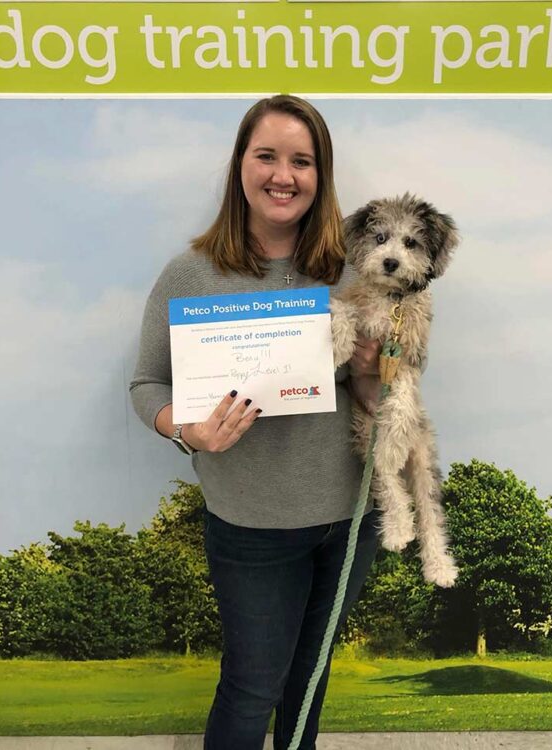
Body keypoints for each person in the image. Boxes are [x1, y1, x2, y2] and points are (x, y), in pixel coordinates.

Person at [130, 95, 382, 750]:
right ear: (241, 164)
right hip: (251, 528)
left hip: (352, 520)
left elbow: (383, 403)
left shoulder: (355, 272)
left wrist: (371, 370)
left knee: (309, 683)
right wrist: (185, 429)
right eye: (266, 155)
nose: (283, 175)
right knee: (251, 688)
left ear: (320, 176)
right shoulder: (191, 274)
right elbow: (146, 383)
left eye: (302, 161)